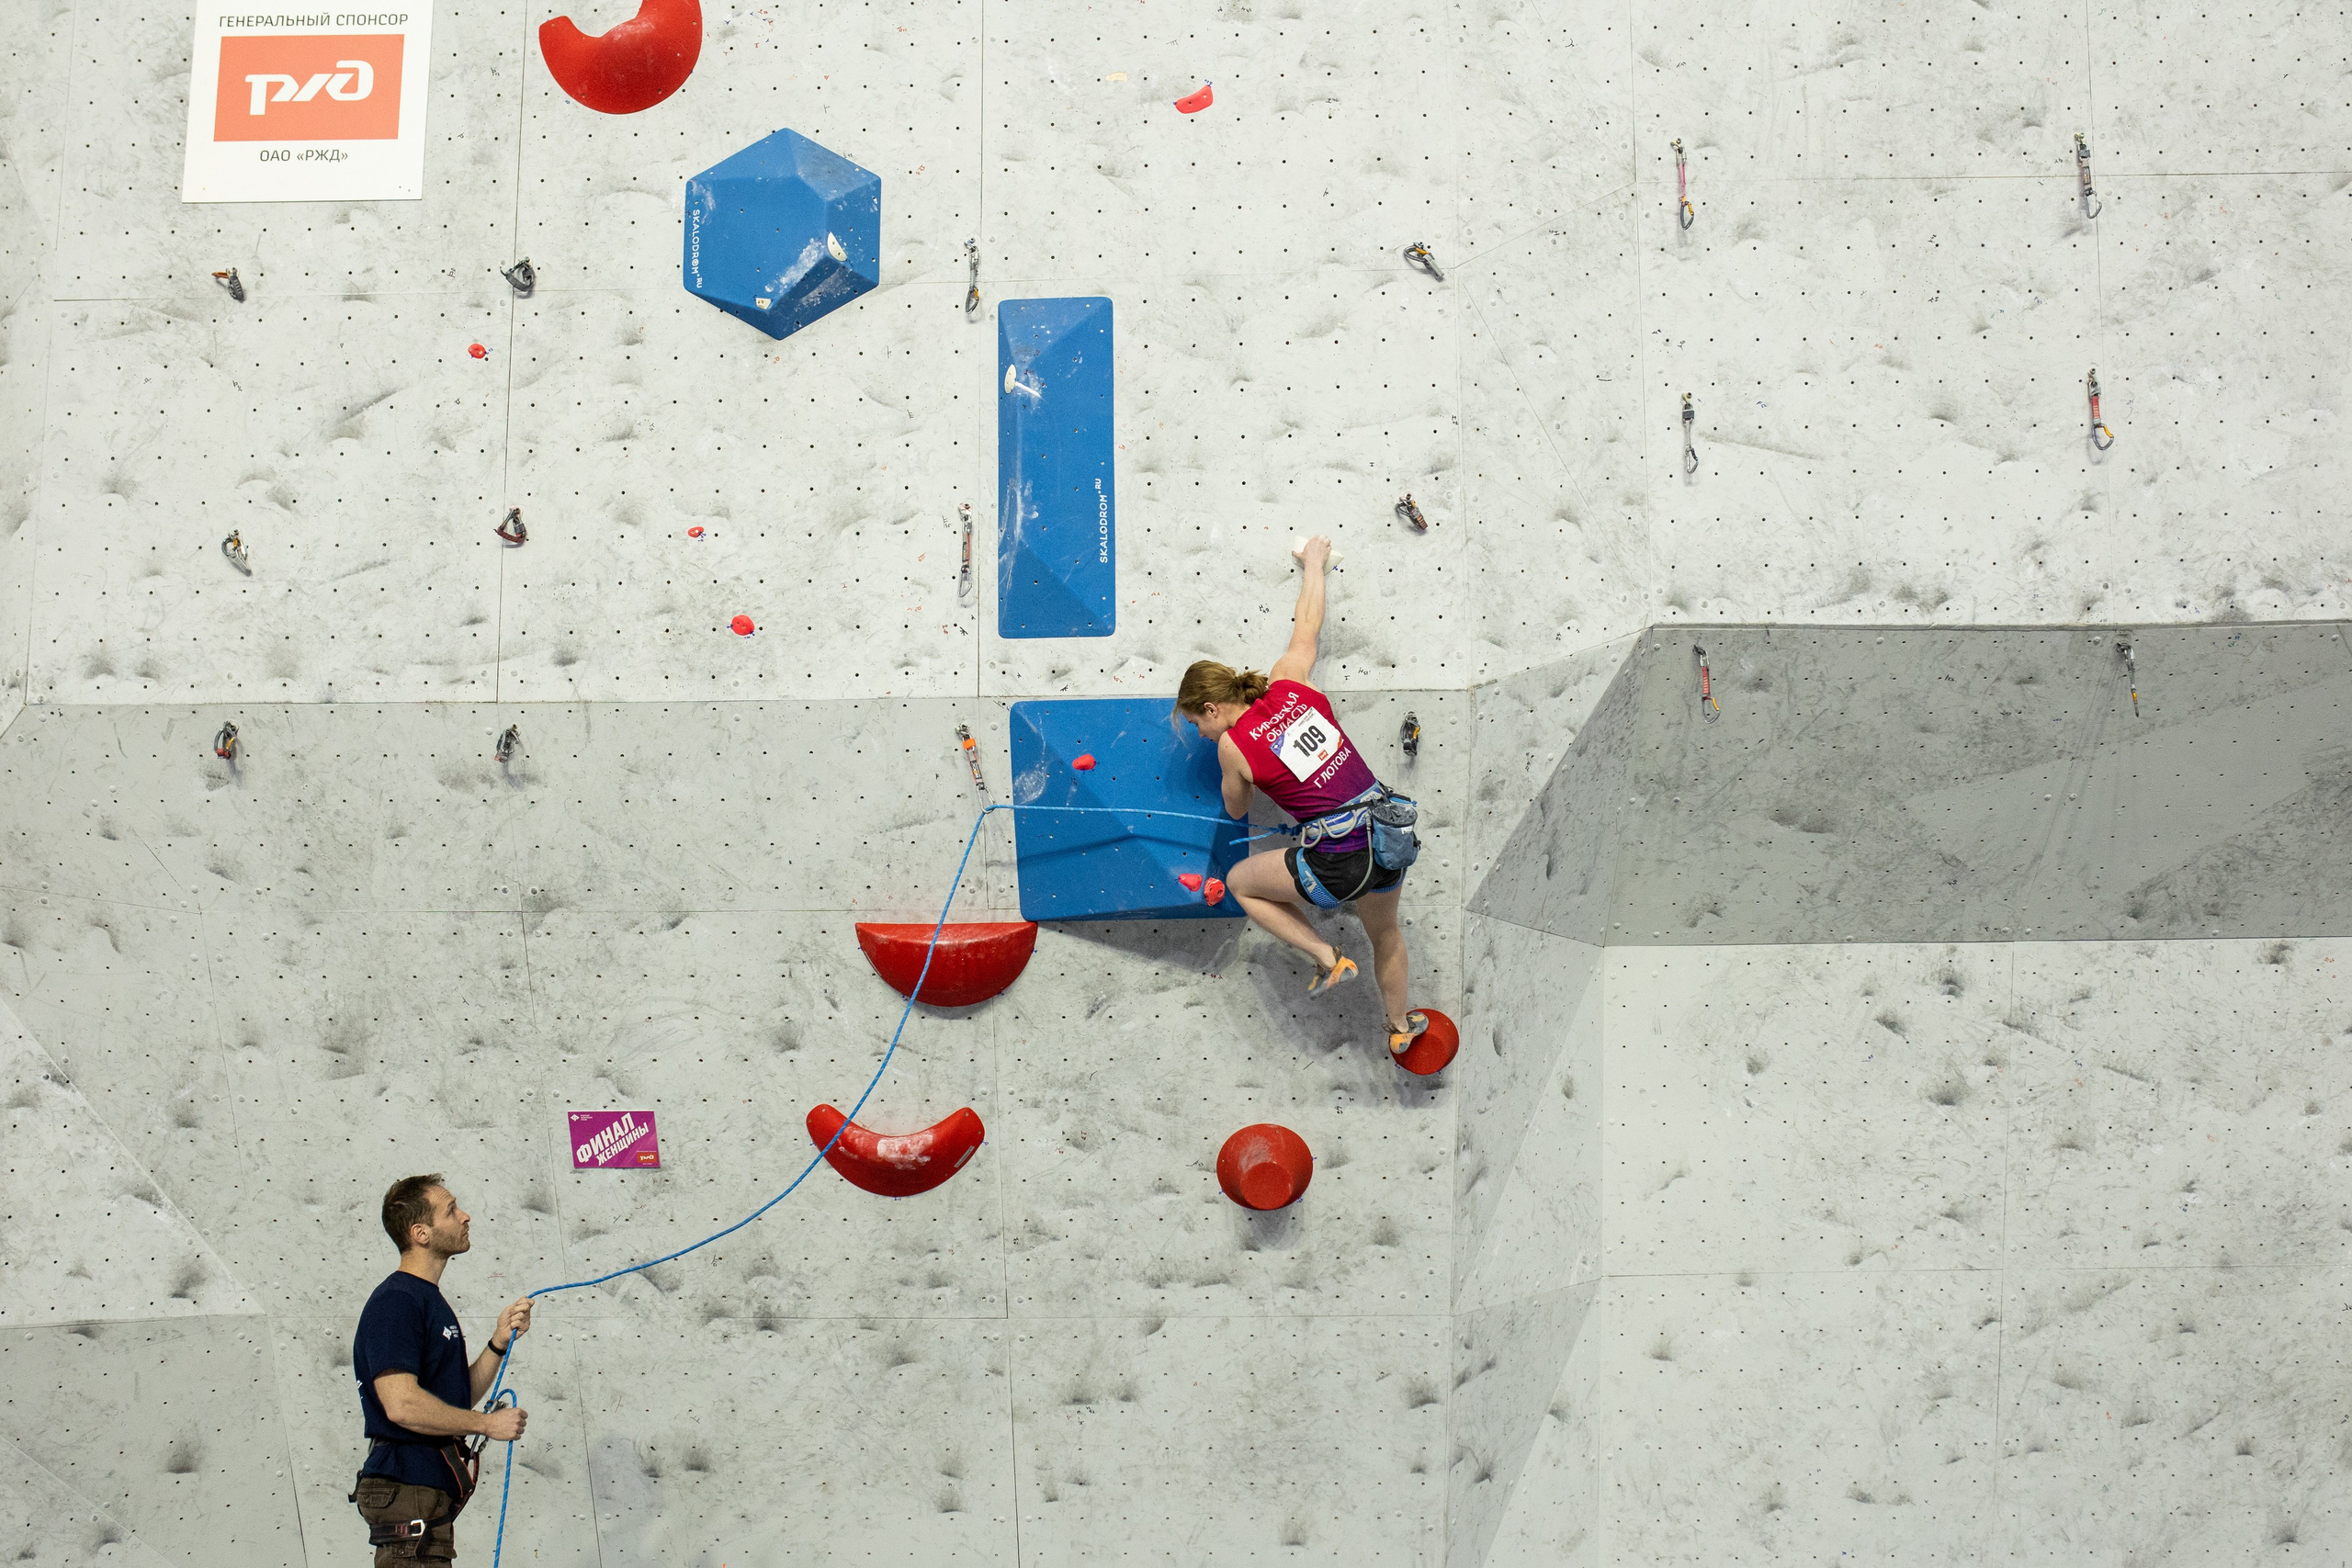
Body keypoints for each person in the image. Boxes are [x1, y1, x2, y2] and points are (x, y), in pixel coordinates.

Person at [1175, 535, 1427, 1055]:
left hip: (1340, 857)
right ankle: (1400, 1028)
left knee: (1242, 882)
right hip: (1386, 835)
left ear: (1213, 708)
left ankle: (1325, 954)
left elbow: (1237, 811)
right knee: (1387, 935)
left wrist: (1234, 772)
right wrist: (1314, 563)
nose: (1200, 733)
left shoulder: (1231, 745)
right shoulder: (1291, 682)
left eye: (1197, 722)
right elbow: (1307, 624)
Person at [351, 1175, 534, 1565]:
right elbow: (401, 1404)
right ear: (421, 1233)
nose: (465, 1216)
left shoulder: (427, 1300)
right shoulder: (397, 1302)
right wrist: (486, 1425)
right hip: (408, 1487)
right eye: (451, 1210)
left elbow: (451, 1400)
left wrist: (497, 1342)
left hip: (423, 1491)